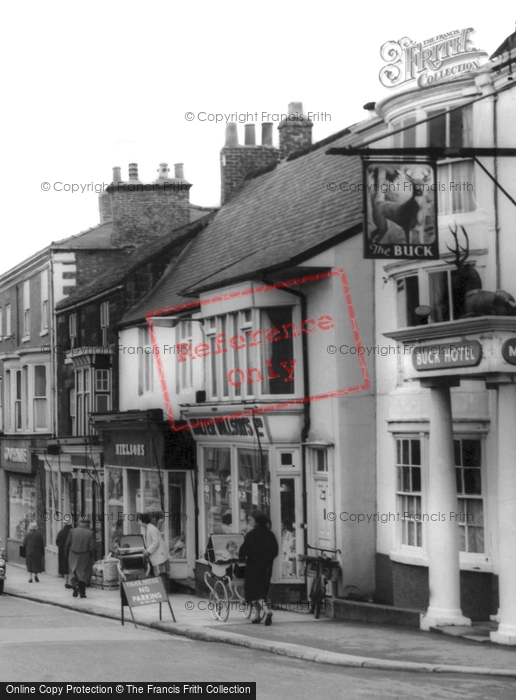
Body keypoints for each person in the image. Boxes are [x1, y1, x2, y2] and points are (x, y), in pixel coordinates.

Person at [239, 509, 278, 626]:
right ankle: (256, 616)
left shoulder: (251, 535)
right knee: (262, 590)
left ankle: (267, 611)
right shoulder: (270, 534)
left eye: (250, 520)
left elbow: (243, 550)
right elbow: (275, 550)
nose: (249, 522)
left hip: (253, 566)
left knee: (254, 592)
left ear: (256, 521)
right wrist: (268, 559)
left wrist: (242, 557)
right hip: (267, 566)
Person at [65, 516, 95, 598]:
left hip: (73, 554)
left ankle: (75, 586)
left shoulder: (72, 531)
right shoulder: (90, 533)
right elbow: (92, 547)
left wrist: (66, 554)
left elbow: (67, 544)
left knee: (73, 572)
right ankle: (82, 593)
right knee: (83, 574)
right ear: (87, 524)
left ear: (79, 523)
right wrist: (91, 555)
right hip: (85, 556)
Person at [140, 513, 169, 590]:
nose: (138, 523)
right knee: (158, 573)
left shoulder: (151, 529)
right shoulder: (148, 528)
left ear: (142, 521)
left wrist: (147, 551)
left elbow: (156, 542)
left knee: (159, 574)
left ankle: (162, 591)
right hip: (156, 554)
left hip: (159, 555)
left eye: (139, 521)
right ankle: (160, 590)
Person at [56, 517, 73, 588]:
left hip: (63, 552)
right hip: (71, 551)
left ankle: (66, 581)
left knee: (65, 566)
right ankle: (71, 582)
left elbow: (57, 542)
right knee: (71, 566)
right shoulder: (73, 531)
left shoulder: (61, 532)